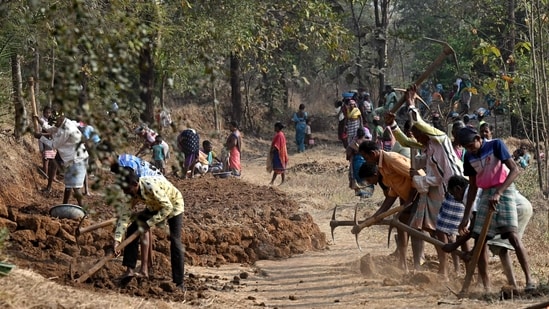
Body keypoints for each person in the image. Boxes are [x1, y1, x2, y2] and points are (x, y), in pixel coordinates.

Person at [386, 104, 464, 271]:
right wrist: (393, 125)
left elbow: (435, 178)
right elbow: (406, 142)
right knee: (440, 231)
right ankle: (446, 267)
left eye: (419, 135)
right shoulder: (427, 147)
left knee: (459, 232)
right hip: (441, 194)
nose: (417, 139)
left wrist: (411, 104)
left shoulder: (442, 141)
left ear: (425, 132)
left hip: (458, 192)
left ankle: (461, 266)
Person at [457, 126, 535, 291]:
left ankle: (529, 281)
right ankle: (487, 287)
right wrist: (466, 216)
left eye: (471, 146)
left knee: (512, 235)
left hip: (504, 190)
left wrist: (499, 192)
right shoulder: (469, 157)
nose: (470, 150)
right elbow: (472, 187)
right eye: (467, 148)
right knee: (479, 240)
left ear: (478, 139)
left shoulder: (496, 145)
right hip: (486, 193)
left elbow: (514, 170)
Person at [114, 167, 185, 290]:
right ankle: (130, 269)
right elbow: (124, 216)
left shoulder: (150, 186)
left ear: (135, 184)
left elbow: (167, 207)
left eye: (127, 189)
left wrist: (149, 223)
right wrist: (117, 240)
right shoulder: (130, 192)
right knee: (132, 228)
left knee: (175, 242)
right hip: (154, 206)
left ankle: (179, 283)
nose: (125, 193)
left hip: (173, 205)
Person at [357, 141, 419, 271]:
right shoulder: (381, 166)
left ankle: (418, 265)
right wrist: (377, 216)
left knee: (416, 231)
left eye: (366, 157)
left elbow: (416, 175)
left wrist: (410, 200)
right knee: (401, 225)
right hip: (406, 198)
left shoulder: (392, 160)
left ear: (373, 153)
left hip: (419, 195)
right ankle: (403, 263)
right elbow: (392, 194)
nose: (366, 160)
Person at [34, 111, 89, 206]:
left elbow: (53, 144)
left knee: (75, 187)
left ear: (60, 119)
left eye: (56, 122)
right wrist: (41, 122)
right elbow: (52, 129)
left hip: (77, 159)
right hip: (71, 159)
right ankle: (64, 206)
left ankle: (83, 209)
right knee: (68, 185)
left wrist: (41, 137)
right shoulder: (64, 122)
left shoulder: (66, 129)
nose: (55, 124)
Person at [435, 175, 470, 279]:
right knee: (463, 234)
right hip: (459, 191)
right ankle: (469, 273)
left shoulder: (457, 192)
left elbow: (443, 175)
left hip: (456, 194)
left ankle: (444, 272)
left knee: (441, 230)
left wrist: (421, 180)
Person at [346, 127, 372, 198]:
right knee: (366, 181)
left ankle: (362, 197)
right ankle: (365, 197)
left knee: (359, 181)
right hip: (364, 163)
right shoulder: (368, 142)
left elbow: (348, 155)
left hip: (356, 163)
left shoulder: (353, 142)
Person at [38, 106, 56, 179]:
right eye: (46, 112)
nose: (48, 114)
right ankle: (45, 176)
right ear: (43, 113)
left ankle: (53, 177)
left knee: (52, 160)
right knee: (46, 160)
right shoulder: (42, 120)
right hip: (45, 142)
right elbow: (39, 132)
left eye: (49, 113)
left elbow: (53, 131)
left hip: (51, 142)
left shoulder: (51, 120)